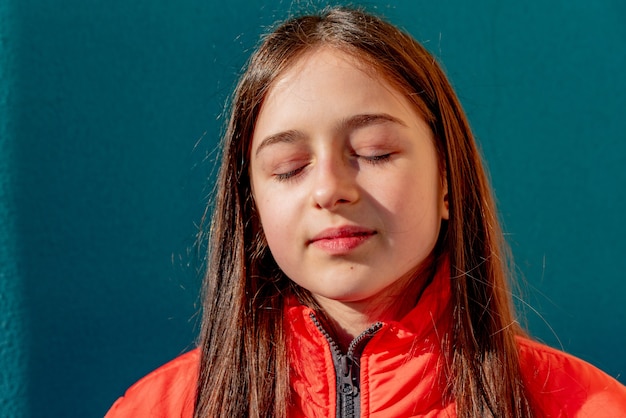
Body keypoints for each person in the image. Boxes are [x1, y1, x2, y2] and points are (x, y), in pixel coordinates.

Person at [106, 6, 626, 418]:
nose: (330, 189)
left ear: (447, 178)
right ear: (252, 205)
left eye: (375, 152)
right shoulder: (159, 408)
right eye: (289, 167)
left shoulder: (583, 407)